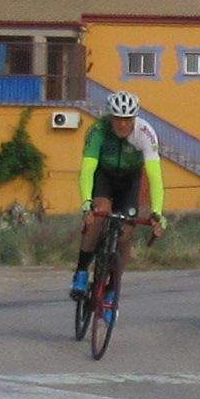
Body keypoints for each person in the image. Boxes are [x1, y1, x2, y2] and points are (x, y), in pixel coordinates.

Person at [70, 90, 165, 307]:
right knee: (98, 214)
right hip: (104, 176)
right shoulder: (98, 130)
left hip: (130, 181)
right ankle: (82, 272)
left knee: (126, 233)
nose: (122, 124)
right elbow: (87, 169)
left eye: (128, 119)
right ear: (111, 117)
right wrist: (86, 203)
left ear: (135, 118)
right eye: (118, 119)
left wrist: (157, 212)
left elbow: (155, 177)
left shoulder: (145, 133)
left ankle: (112, 289)